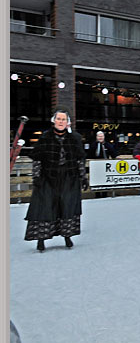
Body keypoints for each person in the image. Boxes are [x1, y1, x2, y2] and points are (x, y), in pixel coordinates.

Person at [24, 106, 88, 252]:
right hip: (48, 178)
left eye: (63, 119)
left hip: (69, 178)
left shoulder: (74, 138)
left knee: (67, 206)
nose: (61, 121)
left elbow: (79, 160)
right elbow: (37, 159)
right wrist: (36, 177)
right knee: (44, 207)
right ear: (54, 121)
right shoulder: (45, 137)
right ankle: (41, 239)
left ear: (67, 122)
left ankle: (67, 236)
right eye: (58, 119)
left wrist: (83, 177)